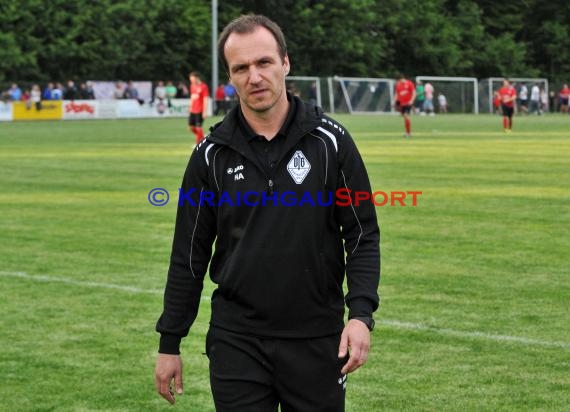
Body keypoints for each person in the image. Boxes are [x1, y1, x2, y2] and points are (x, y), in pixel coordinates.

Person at [154, 14, 380, 412]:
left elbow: (361, 235)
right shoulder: (210, 155)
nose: (254, 77)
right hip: (236, 341)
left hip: (316, 339)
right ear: (230, 76)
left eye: (264, 63)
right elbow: (188, 254)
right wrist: (169, 341)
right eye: (241, 68)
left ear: (285, 63)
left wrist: (360, 315)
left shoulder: (331, 142)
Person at [187, 71, 210, 144]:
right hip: (193, 110)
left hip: (200, 110)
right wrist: (190, 107)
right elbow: (192, 97)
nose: (192, 81)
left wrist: (205, 111)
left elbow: (205, 99)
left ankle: (198, 144)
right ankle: (202, 136)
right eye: (191, 80)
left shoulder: (204, 86)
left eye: (193, 80)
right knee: (191, 128)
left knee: (198, 128)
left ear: (197, 78)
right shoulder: (192, 86)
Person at [394, 73, 416, 138]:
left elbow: (414, 93)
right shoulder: (398, 85)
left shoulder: (409, 83)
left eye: (398, 80)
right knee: (404, 117)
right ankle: (407, 132)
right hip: (402, 104)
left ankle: (409, 133)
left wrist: (411, 100)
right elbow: (397, 94)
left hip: (408, 103)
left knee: (406, 116)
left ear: (401, 79)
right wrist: (395, 102)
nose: (398, 82)